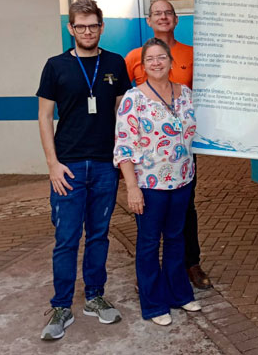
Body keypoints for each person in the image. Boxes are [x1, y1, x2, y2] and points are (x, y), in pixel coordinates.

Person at [37, 0, 131, 341]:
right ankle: (61, 306)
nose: (87, 31)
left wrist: (124, 160)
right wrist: (52, 164)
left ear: (101, 27)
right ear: (71, 28)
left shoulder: (115, 63)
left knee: (98, 235)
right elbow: (45, 117)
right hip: (69, 167)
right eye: (81, 26)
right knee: (66, 239)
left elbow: (123, 116)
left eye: (93, 26)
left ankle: (94, 297)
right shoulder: (55, 66)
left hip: (105, 165)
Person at [125, 0, 211, 289]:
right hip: (147, 159)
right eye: (157, 13)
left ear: (176, 19)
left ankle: (191, 264)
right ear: (148, 21)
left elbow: (204, 98)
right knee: (149, 217)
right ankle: (149, 276)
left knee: (186, 209)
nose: (163, 17)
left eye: (168, 13)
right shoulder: (135, 57)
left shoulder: (192, 54)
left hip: (181, 155)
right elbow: (122, 103)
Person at [114, 38, 201, 325]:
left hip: (182, 180)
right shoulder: (133, 99)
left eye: (161, 57)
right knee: (149, 243)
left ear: (170, 61)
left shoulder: (185, 94)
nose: (156, 63)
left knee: (176, 239)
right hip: (150, 185)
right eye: (149, 59)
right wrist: (132, 187)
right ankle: (153, 304)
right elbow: (124, 146)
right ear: (142, 65)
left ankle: (179, 293)